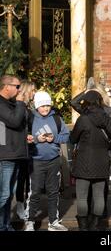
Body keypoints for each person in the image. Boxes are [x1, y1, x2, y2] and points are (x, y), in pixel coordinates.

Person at [24, 91, 70, 231]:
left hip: (54, 160)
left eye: (47, 105)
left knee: (53, 191)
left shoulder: (56, 118)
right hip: (36, 161)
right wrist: (37, 139)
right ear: (36, 106)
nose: (45, 108)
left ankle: (53, 222)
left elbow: (66, 135)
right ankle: (30, 220)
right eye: (42, 106)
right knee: (35, 192)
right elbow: (24, 138)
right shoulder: (30, 118)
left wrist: (54, 139)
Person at [70, 90, 111, 231]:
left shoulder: (83, 119)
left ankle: (83, 227)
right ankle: (95, 225)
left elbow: (73, 139)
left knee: (82, 197)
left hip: (84, 161)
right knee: (99, 195)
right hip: (102, 161)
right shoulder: (109, 119)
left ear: (87, 102)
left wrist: (85, 93)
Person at [0, 75, 27, 232]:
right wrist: (21, 102)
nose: (19, 90)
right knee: (3, 195)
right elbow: (15, 121)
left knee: (9, 195)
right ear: (6, 87)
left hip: (14, 154)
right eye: (17, 86)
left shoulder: (10, 104)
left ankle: (6, 225)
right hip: (5, 155)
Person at [15, 80, 36, 221]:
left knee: (29, 179)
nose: (34, 93)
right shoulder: (19, 107)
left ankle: (26, 206)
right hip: (20, 149)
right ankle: (19, 206)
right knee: (21, 179)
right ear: (27, 90)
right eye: (33, 90)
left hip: (30, 148)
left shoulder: (30, 108)